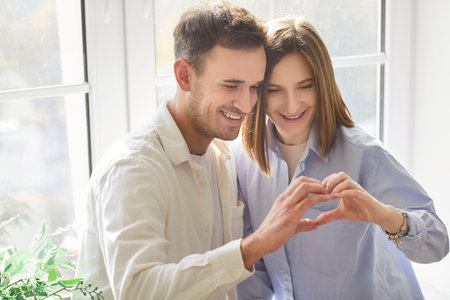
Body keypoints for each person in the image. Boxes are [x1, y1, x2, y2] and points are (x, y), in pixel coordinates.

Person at [74, 4, 332, 300]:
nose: (246, 104)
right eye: (231, 85)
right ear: (185, 76)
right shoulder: (132, 168)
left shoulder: (223, 157)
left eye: (255, 87)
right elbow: (138, 290)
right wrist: (254, 245)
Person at [232, 17, 449, 300]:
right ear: (258, 91)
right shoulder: (242, 160)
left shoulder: (363, 154)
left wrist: (382, 215)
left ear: (322, 84)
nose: (292, 104)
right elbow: (253, 270)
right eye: (274, 90)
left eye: (305, 86)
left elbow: (437, 241)